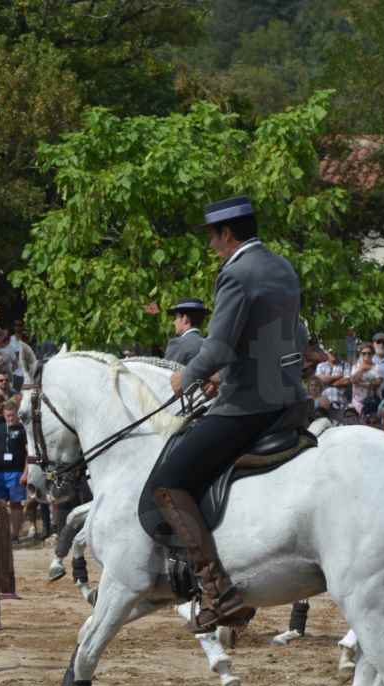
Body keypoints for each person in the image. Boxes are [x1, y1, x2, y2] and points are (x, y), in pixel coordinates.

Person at [143, 196, 307, 632]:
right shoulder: (282, 266)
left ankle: (217, 589)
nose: (212, 245)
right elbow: (285, 334)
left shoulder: (236, 272)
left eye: (213, 236)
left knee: (168, 483)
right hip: (289, 398)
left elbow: (216, 346)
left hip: (249, 405)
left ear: (227, 234)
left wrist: (189, 377)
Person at [0, 402, 28, 538]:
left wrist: (25, 472)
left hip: (16, 472)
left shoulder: (23, 429)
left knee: (16, 504)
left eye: (12, 415)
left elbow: (28, 452)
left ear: (16, 414)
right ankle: (1, 533)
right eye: (7, 415)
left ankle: (15, 534)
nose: (10, 418)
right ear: (4, 415)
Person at [162, 298, 208, 371]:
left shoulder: (178, 344)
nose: (174, 322)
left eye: (176, 317)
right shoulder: (210, 344)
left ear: (185, 319)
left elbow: (166, 375)